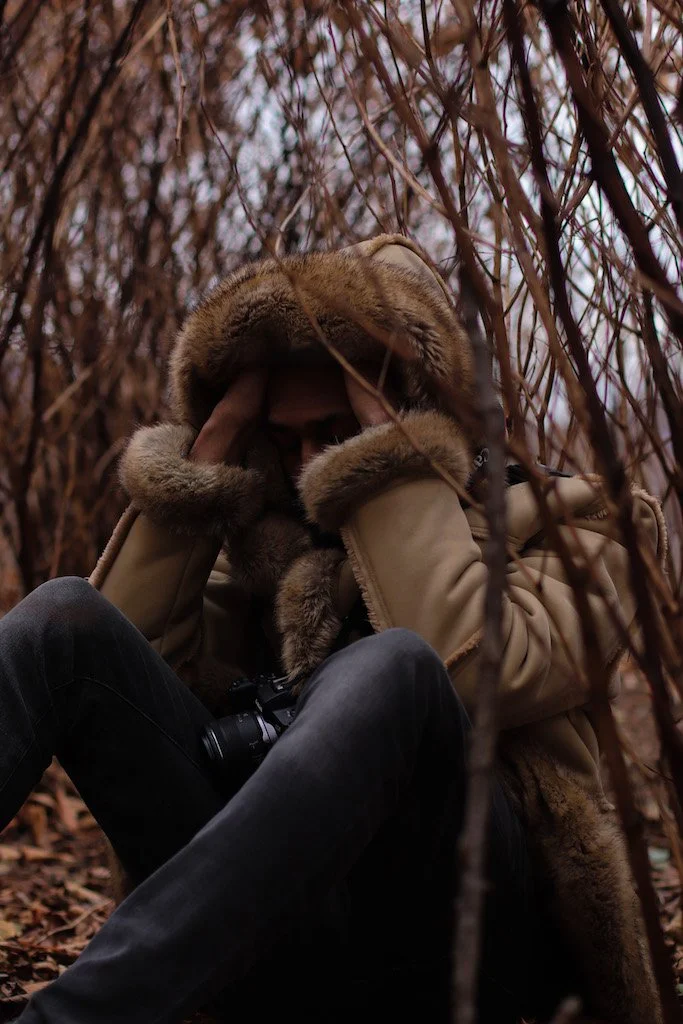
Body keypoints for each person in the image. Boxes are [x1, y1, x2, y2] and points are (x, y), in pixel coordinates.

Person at [0, 235, 666, 1024]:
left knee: (394, 668)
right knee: (62, 619)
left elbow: (474, 670)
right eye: (283, 441)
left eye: (337, 428)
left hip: (464, 934)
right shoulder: (265, 538)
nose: (307, 463)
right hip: (269, 924)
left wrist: (385, 465)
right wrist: (212, 455)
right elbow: (129, 688)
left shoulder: (578, 523)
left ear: (417, 410)